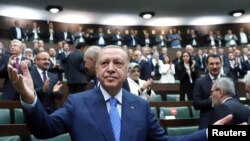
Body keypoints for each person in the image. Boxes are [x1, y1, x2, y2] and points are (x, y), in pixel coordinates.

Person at [8, 46, 233, 141]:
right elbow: (43, 129)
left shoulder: (141, 106)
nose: (111, 68)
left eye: (118, 63)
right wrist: (29, 97)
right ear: (96, 70)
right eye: (104, 63)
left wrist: (213, 134)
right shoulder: (76, 103)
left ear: (127, 70)